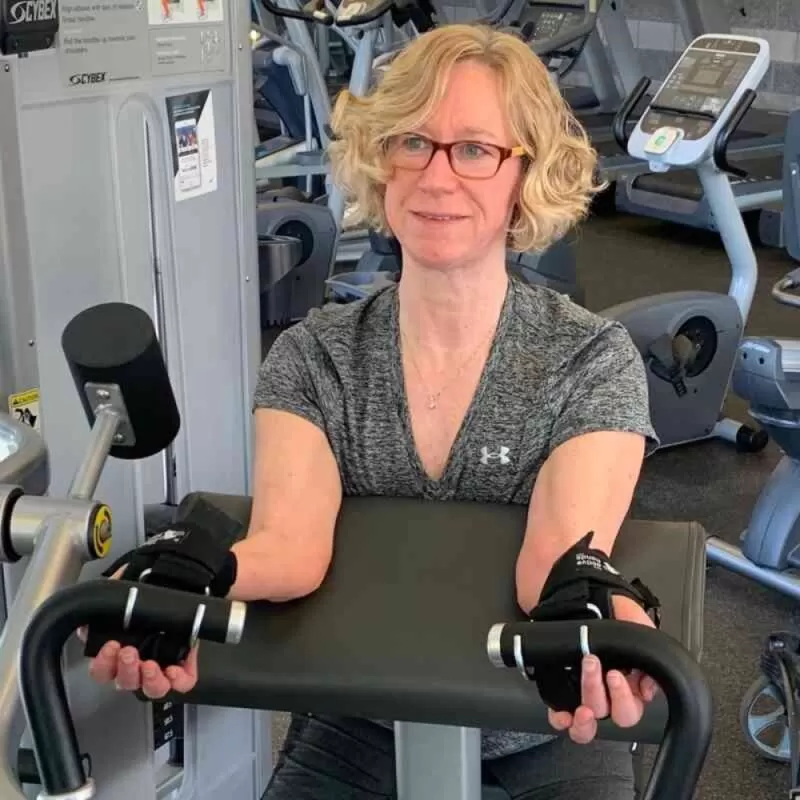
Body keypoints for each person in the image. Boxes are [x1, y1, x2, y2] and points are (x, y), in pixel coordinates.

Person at [86, 23, 661, 800]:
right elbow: (290, 547)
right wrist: (197, 576)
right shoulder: (315, 357)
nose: (436, 176)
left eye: (475, 150)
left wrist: (611, 620)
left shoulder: (590, 359)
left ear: (525, 173)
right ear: (380, 161)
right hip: (360, 716)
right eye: (412, 143)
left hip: (542, 724)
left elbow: (558, 562)